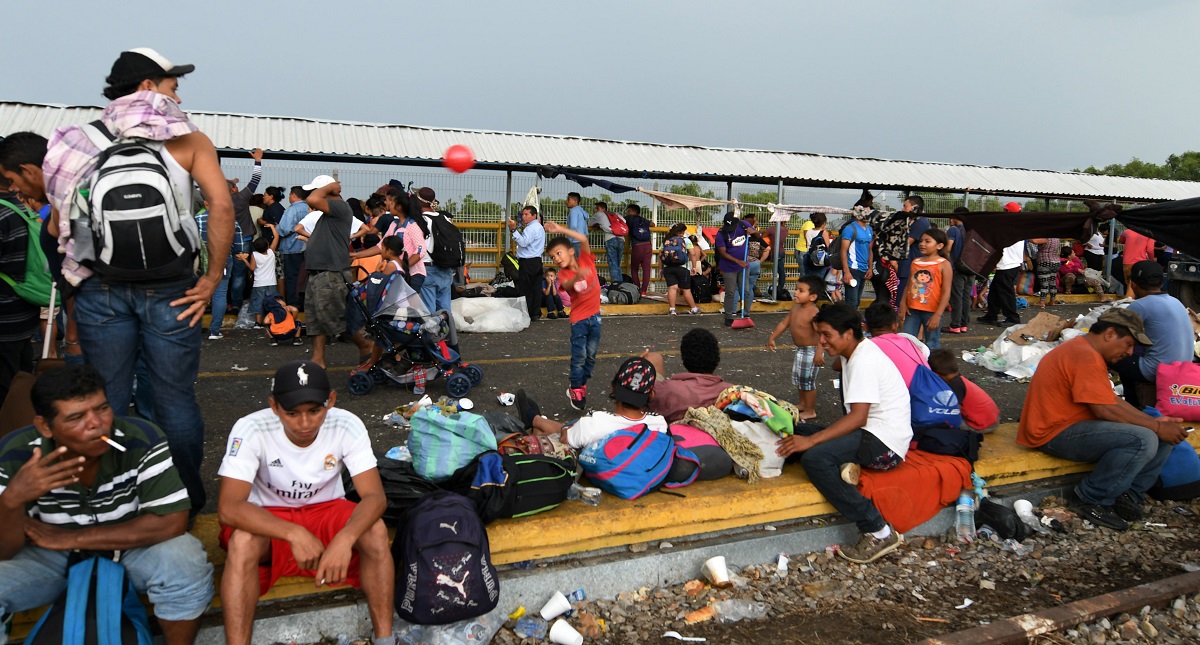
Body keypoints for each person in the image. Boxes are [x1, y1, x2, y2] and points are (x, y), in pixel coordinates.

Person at [39, 48, 235, 516]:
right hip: (174, 290)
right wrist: (210, 280)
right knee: (174, 400)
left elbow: (58, 227)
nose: (178, 93)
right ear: (147, 86)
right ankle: (183, 501)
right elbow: (222, 208)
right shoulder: (188, 139)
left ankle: (121, 500)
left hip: (100, 290)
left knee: (105, 399)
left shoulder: (75, 141)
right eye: (171, 84)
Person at [0, 365, 214, 644]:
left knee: (185, 558)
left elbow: (172, 521)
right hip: (50, 560)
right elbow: (5, 551)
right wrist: (11, 500)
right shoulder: (16, 453)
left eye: (102, 409)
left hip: (130, 550)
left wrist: (72, 537)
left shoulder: (140, 438)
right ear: (45, 426)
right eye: (76, 417)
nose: (97, 424)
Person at [217, 361, 393, 645]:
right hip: (268, 516)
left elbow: (374, 497)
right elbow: (229, 507)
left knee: (376, 531)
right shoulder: (251, 428)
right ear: (274, 406)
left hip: (325, 510)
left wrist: (345, 538)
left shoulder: (346, 423)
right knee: (242, 542)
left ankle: (385, 639)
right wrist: (293, 533)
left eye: (315, 411)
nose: (305, 423)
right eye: (291, 413)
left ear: (331, 401)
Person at [1018, 308, 1186, 531]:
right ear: (1109, 334)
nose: (1129, 352)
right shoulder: (1084, 355)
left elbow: (1112, 402)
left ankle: (1126, 494)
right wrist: (1154, 425)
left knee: (1160, 433)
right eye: (1128, 344)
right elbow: (1104, 410)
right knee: (1144, 438)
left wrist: (1158, 424)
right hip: (1053, 432)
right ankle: (1092, 499)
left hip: (1074, 426)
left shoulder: (1087, 352)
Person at [777, 302, 911, 564]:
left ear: (849, 333)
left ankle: (877, 529)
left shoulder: (864, 360)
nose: (822, 342)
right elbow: (841, 369)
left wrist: (812, 441)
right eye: (819, 335)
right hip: (868, 432)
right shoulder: (856, 352)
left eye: (827, 335)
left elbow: (858, 417)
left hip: (885, 445)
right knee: (794, 428)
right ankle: (842, 458)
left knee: (815, 457)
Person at [303, 175, 373, 369]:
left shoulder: (341, 208)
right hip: (319, 272)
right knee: (317, 319)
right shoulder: (327, 215)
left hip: (331, 273)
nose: (312, 194)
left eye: (317, 190)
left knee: (336, 318)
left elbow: (313, 199)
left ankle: (365, 345)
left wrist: (331, 187)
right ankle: (318, 358)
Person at [528, 357, 666, 449]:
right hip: (640, 483)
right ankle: (535, 421)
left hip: (594, 485)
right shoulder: (660, 424)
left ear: (613, 387)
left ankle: (535, 421)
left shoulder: (593, 423)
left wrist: (566, 429)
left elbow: (564, 438)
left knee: (558, 432)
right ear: (651, 395)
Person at [1112, 261, 1194, 409]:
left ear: (1133, 284)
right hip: (1183, 369)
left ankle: (1133, 407)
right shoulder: (1176, 301)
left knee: (1112, 354)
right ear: (1161, 284)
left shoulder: (1140, 305)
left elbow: (1112, 334)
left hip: (1156, 371)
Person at [545, 221, 602, 411]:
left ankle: (580, 385)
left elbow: (584, 238)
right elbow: (568, 286)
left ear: (571, 251)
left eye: (558, 253)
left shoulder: (586, 259)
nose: (556, 259)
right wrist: (578, 277)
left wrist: (560, 229)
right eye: (553, 257)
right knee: (580, 356)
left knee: (591, 358)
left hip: (595, 318)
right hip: (579, 321)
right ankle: (576, 386)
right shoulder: (562, 274)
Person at [0, 172, 39, 406]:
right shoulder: (20, 207)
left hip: (4, 318)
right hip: (24, 312)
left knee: (5, 393)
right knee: (21, 380)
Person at [641, 328, 734, 422]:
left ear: (684, 358)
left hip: (673, 431)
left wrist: (637, 369)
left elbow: (635, 403)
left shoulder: (666, 390)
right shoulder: (731, 392)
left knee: (653, 358)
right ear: (716, 357)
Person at [767, 275, 825, 421]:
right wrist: (773, 337)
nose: (796, 292)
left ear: (812, 297)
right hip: (801, 351)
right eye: (797, 289)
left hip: (811, 351)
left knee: (808, 381)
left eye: (801, 290)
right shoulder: (795, 309)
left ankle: (810, 410)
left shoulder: (814, 313)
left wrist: (819, 353)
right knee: (800, 379)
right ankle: (803, 403)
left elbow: (821, 335)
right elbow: (783, 324)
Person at [898, 228, 953, 350]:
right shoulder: (916, 262)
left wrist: (938, 314)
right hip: (912, 310)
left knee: (931, 344)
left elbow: (946, 291)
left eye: (927, 241)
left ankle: (930, 368)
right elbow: (909, 284)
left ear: (939, 245)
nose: (922, 244)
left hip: (932, 311)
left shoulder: (944, 264)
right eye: (921, 241)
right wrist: (903, 303)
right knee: (907, 341)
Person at [225, 148, 265, 312]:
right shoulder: (241, 199)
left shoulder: (219, 202)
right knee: (240, 274)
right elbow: (255, 180)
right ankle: (236, 303)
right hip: (244, 240)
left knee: (226, 272)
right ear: (234, 189)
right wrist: (258, 160)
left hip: (226, 240)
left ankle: (224, 300)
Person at [928, 348, 999, 433]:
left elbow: (954, 412)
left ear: (936, 374)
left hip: (982, 425)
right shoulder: (959, 379)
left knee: (935, 423)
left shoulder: (955, 385)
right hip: (993, 419)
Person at [863, 300, 930, 387]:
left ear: (866, 327)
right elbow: (926, 352)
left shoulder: (867, 346)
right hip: (930, 390)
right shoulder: (908, 338)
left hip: (904, 396)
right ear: (895, 326)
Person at [416, 187, 457, 314]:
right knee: (445, 309)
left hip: (427, 267)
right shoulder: (445, 219)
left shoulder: (419, 220)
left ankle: (431, 332)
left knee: (429, 310)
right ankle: (447, 332)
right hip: (445, 268)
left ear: (419, 201)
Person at [509, 205, 546, 321]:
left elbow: (524, 243)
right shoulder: (538, 227)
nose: (523, 217)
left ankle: (527, 312)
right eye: (523, 214)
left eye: (526, 214)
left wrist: (514, 230)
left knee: (526, 288)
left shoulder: (531, 228)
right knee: (536, 287)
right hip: (536, 260)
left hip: (528, 261)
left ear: (534, 215)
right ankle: (535, 312)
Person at [237, 228, 280, 326]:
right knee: (272, 302)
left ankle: (258, 323)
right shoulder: (271, 252)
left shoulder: (254, 254)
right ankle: (272, 321)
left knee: (258, 303)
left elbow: (252, 268)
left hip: (259, 283)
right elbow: (276, 236)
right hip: (271, 282)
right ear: (268, 245)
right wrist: (272, 226)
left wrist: (244, 259)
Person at [715, 212, 752, 326]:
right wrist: (737, 261)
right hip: (729, 267)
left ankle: (745, 314)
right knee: (730, 292)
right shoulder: (721, 234)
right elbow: (723, 253)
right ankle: (728, 316)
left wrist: (752, 232)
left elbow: (757, 234)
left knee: (745, 290)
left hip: (743, 266)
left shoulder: (743, 225)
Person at [276, 186, 310, 307]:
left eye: (290, 195)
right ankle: (302, 302)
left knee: (291, 278)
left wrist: (276, 228)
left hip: (291, 247)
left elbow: (284, 229)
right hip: (306, 247)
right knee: (303, 278)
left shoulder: (292, 210)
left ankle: (292, 303)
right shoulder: (308, 208)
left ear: (294, 195)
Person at [979, 239, 1025, 327]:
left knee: (1006, 293)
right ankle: (991, 315)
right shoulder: (1018, 229)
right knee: (995, 291)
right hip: (1012, 263)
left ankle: (1012, 318)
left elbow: (1000, 247)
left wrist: (993, 263)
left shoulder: (1006, 230)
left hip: (1007, 264)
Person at [839, 205, 874, 310]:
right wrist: (846, 272)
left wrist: (870, 268)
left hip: (863, 269)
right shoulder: (850, 229)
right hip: (852, 269)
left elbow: (870, 249)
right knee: (852, 302)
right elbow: (843, 251)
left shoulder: (869, 229)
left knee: (857, 301)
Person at [661, 223, 700, 316]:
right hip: (682, 267)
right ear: (682, 231)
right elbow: (693, 254)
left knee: (672, 287)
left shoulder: (666, 240)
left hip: (668, 267)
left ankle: (672, 309)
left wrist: (660, 268)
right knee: (686, 289)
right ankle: (694, 308)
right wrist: (694, 267)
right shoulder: (686, 240)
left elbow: (660, 255)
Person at [945, 208, 973, 334]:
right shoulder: (972, 230)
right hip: (972, 268)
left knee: (957, 297)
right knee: (966, 297)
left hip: (957, 268)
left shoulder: (954, 230)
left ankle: (955, 325)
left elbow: (948, 248)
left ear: (956, 217)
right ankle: (964, 325)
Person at [896, 195, 929, 298]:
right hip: (907, 265)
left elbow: (905, 242)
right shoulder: (915, 221)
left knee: (903, 297)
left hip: (910, 265)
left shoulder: (920, 223)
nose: (903, 209)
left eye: (905, 206)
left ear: (914, 207)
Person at [589, 201, 625, 284]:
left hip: (610, 239)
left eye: (597, 208)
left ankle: (617, 284)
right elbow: (624, 222)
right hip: (621, 239)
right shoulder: (616, 214)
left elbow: (590, 224)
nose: (596, 210)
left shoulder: (599, 214)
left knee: (613, 263)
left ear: (603, 209)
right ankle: (621, 283)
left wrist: (598, 225)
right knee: (617, 263)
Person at [625, 204, 653, 294]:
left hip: (637, 246)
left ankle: (637, 289)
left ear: (634, 211)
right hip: (648, 245)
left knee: (634, 268)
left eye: (628, 211)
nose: (627, 212)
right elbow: (653, 224)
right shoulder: (642, 219)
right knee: (646, 269)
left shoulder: (629, 219)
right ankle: (644, 291)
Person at [1029, 237, 1063, 307]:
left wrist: (1026, 237)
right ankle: (1052, 301)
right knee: (1052, 282)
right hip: (1056, 262)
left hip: (1045, 262)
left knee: (1044, 283)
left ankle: (1042, 302)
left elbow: (1034, 241)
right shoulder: (1057, 238)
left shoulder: (1046, 238)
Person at [742, 213, 769, 297]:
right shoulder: (757, 236)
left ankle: (736, 308)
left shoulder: (741, 235)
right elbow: (767, 249)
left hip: (744, 263)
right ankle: (747, 309)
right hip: (755, 263)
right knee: (750, 288)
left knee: (739, 287)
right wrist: (759, 261)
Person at [566, 192, 589, 256]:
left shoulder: (574, 211)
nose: (566, 201)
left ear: (575, 201)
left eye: (568, 199)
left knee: (576, 262)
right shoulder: (581, 211)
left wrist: (570, 239)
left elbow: (573, 226)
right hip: (583, 240)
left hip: (575, 241)